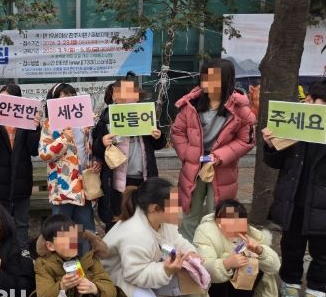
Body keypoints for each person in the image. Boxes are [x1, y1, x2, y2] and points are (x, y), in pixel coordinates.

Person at [171, 58, 256, 241]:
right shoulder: (191, 104)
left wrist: (217, 157)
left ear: (226, 80)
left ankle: (212, 249)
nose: (207, 83)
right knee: (189, 211)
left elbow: (246, 140)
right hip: (194, 166)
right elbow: (177, 132)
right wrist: (188, 154)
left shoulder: (240, 108)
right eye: (205, 77)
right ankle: (188, 250)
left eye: (213, 79)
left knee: (216, 212)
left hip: (222, 168)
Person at [103, 178, 198, 297]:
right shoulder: (136, 233)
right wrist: (165, 270)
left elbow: (176, 240)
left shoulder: (162, 219)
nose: (180, 209)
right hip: (117, 276)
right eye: (174, 205)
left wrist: (191, 253)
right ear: (155, 208)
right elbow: (134, 274)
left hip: (143, 266)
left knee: (191, 271)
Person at [263, 78, 326, 297]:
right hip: (293, 200)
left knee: (322, 250)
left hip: (322, 204)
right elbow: (275, 162)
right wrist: (270, 144)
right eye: (321, 103)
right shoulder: (293, 124)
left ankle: (317, 290)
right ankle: (290, 283)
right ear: (308, 100)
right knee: (291, 245)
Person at [33, 214, 124, 297]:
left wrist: (94, 288)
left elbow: (108, 288)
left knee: (109, 292)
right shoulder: (43, 264)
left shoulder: (89, 256)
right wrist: (62, 286)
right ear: (50, 246)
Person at [185, 199, 280, 297]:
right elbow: (204, 267)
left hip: (236, 282)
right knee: (223, 269)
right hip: (212, 285)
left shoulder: (250, 233)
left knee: (255, 263)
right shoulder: (206, 231)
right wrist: (226, 263)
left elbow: (274, 267)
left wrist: (260, 251)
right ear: (217, 220)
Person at [92, 75, 166, 231]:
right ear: (114, 96)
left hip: (144, 177)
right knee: (118, 218)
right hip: (118, 180)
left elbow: (159, 144)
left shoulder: (145, 114)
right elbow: (96, 149)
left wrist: (158, 136)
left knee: (145, 217)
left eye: (132, 92)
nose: (127, 97)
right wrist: (102, 142)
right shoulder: (106, 118)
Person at [0, 84, 41, 252]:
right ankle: (0, 252)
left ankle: (22, 251)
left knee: (22, 221)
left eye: (8, 99)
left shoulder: (26, 122)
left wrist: (35, 129)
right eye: (1, 99)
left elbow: (34, 150)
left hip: (22, 181)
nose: (4, 103)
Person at [38, 83, 99, 235]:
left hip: (84, 187)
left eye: (72, 96)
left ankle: (86, 251)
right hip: (62, 188)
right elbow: (44, 154)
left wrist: (95, 162)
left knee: (86, 231)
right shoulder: (50, 124)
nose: (70, 100)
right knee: (62, 231)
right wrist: (64, 139)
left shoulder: (84, 122)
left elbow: (88, 150)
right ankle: (64, 252)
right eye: (65, 96)